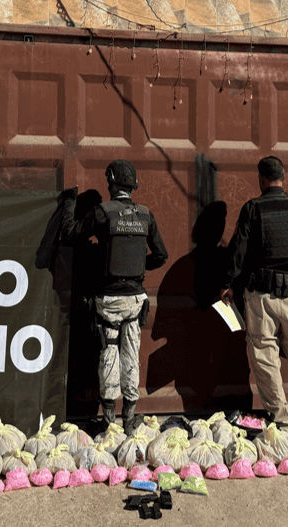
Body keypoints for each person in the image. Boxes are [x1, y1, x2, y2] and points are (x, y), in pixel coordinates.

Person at [219, 156, 288, 434]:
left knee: (265, 358)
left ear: (261, 178)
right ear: (284, 176)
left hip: (261, 296)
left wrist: (227, 283)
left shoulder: (253, 209)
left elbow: (238, 252)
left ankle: (281, 424)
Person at [60, 159, 168, 429]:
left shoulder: (102, 212)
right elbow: (161, 256)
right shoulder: (146, 214)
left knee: (108, 356)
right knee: (131, 356)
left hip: (107, 301)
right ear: (134, 185)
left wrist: (69, 202)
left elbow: (69, 235)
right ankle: (129, 419)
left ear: (110, 182)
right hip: (134, 301)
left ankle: (109, 424)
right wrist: (137, 266)